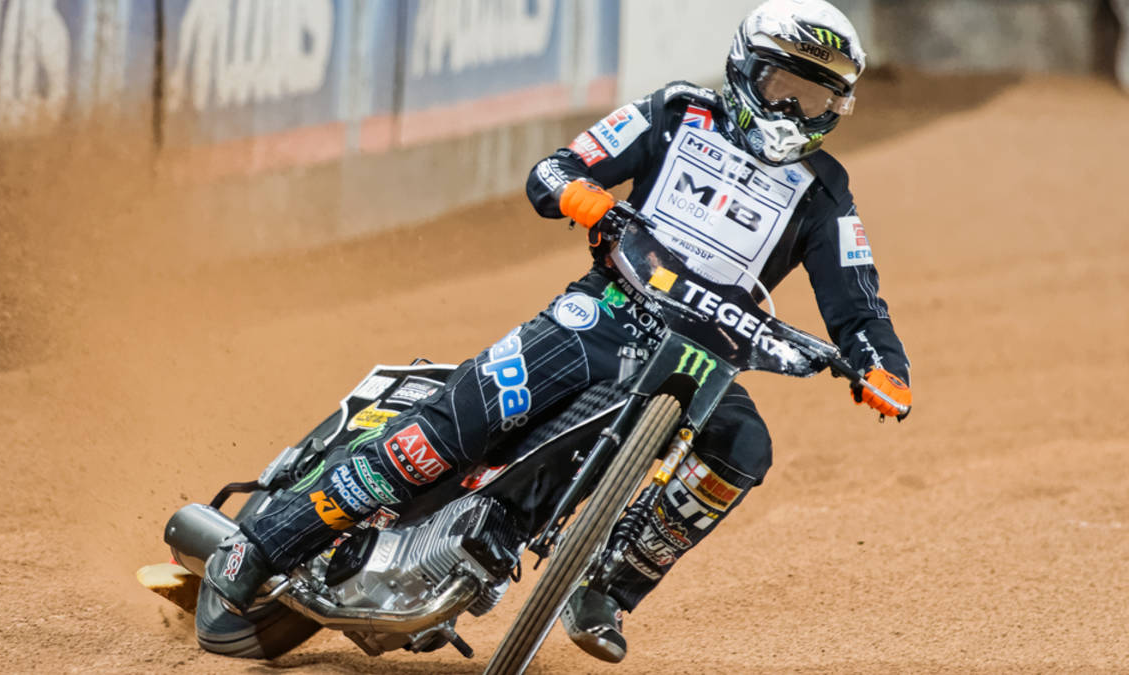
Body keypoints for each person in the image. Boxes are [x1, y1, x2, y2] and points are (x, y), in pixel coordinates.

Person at [203, 0, 912, 664]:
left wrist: (884, 368)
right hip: (604, 313)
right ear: (744, 71)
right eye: (784, 87)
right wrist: (587, 198)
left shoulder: (825, 191)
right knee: (454, 427)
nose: (792, 111)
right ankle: (261, 545)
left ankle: (606, 587)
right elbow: (555, 169)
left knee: (744, 445)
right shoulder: (676, 111)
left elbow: (858, 305)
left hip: (701, 363)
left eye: (814, 99)